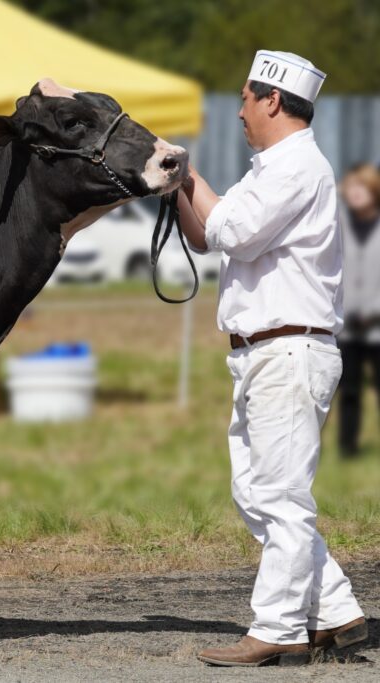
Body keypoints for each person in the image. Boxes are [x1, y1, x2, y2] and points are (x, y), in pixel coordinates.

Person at [176, 50, 367, 666]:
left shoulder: (296, 168)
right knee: (258, 493)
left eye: (244, 98)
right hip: (268, 352)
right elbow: (208, 232)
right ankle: (335, 610)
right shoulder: (272, 169)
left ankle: (279, 627)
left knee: (280, 497)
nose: (237, 111)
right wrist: (177, 178)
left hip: (288, 348)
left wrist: (189, 175)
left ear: (272, 100)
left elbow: (229, 231)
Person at [337, 163, 380, 457]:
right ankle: (347, 447)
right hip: (346, 323)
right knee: (348, 389)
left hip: (377, 325)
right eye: (350, 186)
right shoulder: (337, 223)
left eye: (360, 187)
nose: (354, 193)